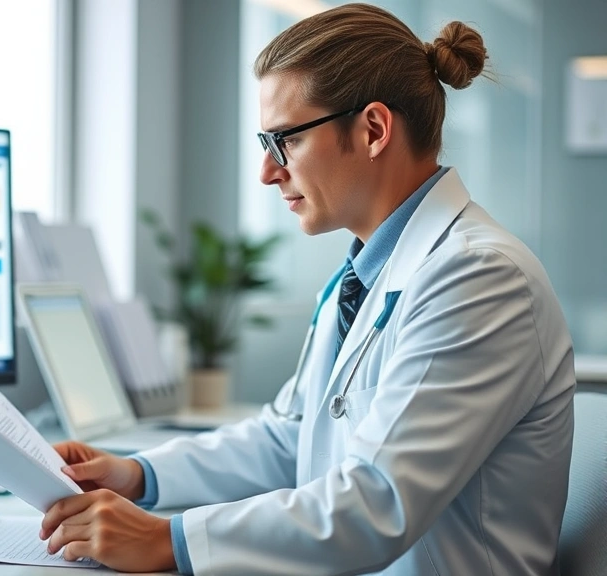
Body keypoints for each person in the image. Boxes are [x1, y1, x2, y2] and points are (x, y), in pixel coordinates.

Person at [38, 3, 576, 575]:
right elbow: (290, 437)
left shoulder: (479, 279)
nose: (268, 172)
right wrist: (137, 474)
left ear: (373, 129)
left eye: (284, 142)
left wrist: (169, 541)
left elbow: (377, 504)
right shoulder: (367, 276)